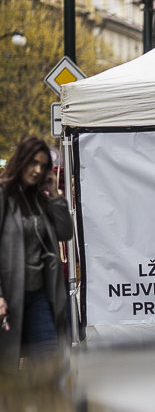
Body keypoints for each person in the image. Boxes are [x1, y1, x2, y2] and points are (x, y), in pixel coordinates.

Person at [0, 136, 73, 373]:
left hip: (39, 294)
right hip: (9, 296)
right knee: (8, 369)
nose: (38, 170)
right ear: (21, 161)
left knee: (50, 363)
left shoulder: (41, 200)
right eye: (33, 163)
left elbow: (65, 232)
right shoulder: (3, 195)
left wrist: (55, 195)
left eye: (42, 165)